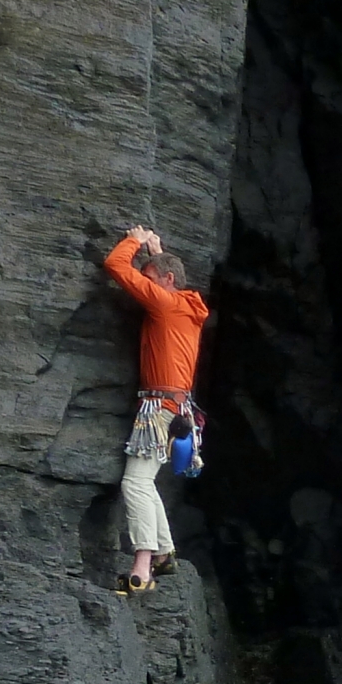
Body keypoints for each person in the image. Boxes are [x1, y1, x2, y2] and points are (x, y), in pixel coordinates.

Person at [102, 226, 209, 594]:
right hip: (176, 408)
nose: (141, 285)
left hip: (158, 409)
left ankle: (142, 567)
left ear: (166, 280)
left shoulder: (163, 303)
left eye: (149, 277)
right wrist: (156, 250)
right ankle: (164, 553)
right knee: (146, 482)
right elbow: (163, 270)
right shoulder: (186, 307)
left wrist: (134, 239)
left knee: (135, 483)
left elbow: (116, 264)